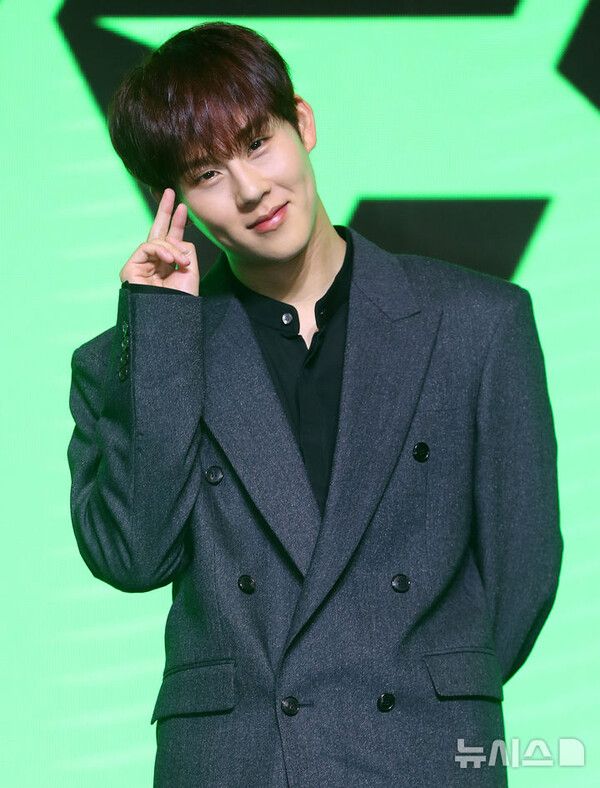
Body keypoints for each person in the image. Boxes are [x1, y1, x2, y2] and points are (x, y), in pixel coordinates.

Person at [66, 21, 563, 788]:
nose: (250, 190)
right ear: (173, 200)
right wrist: (161, 331)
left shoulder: (478, 323)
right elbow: (132, 558)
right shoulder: (126, 360)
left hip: (421, 756)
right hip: (240, 764)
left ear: (302, 123)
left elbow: (520, 571)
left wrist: (422, 697)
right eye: (206, 173)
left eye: (257, 143)